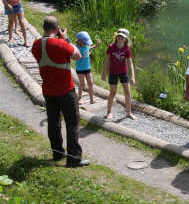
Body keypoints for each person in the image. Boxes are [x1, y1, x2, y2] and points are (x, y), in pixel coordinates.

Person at [31, 16, 89, 167]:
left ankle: (57, 153)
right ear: (57, 29)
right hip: (65, 91)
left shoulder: (36, 45)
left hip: (48, 90)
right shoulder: (60, 44)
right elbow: (78, 55)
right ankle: (74, 159)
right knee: (72, 123)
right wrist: (66, 38)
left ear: (44, 27)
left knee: (53, 122)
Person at [101, 28, 136, 120]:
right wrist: (104, 72)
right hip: (113, 73)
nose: (120, 38)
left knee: (127, 92)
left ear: (126, 39)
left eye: (122, 37)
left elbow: (130, 63)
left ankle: (128, 112)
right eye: (119, 36)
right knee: (113, 92)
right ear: (116, 37)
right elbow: (106, 61)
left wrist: (132, 76)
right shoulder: (111, 47)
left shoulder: (127, 49)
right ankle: (108, 112)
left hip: (123, 72)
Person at [75, 31, 99, 105]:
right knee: (82, 84)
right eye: (84, 42)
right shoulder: (76, 48)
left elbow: (90, 48)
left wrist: (96, 45)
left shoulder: (86, 46)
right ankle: (79, 98)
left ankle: (91, 99)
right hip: (80, 69)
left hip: (87, 68)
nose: (86, 43)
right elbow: (74, 56)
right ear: (79, 41)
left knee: (90, 83)